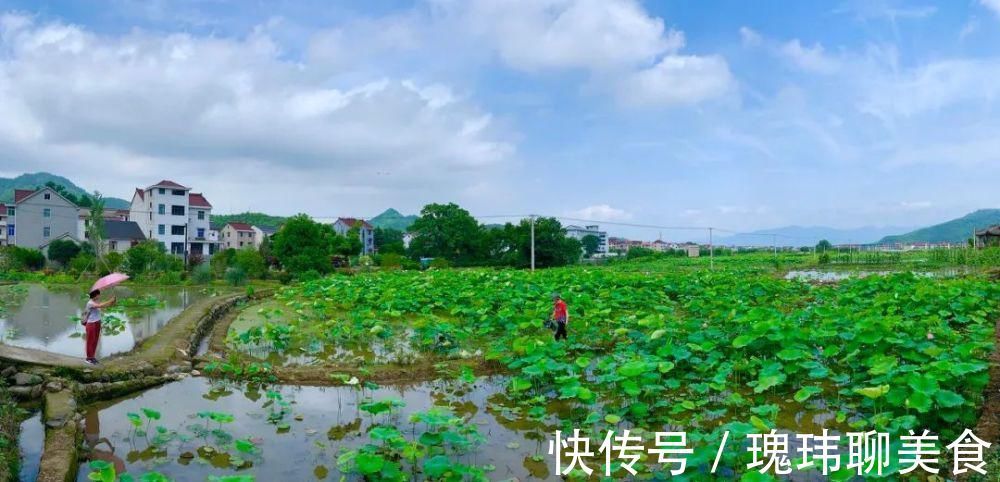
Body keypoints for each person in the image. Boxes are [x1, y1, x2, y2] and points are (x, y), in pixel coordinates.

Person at [83, 289, 116, 365]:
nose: (99, 296)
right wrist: (110, 300)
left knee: (95, 340)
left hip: (97, 323)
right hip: (91, 324)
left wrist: (112, 302)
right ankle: (88, 358)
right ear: (95, 295)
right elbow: (100, 305)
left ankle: (92, 357)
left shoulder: (95, 302)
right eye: (99, 294)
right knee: (90, 341)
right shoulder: (90, 303)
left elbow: (104, 306)